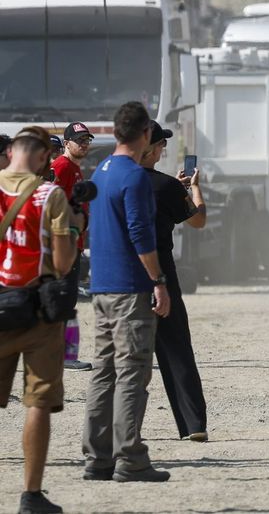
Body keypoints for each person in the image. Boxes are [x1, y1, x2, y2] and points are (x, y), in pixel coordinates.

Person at [83, 101, 172, 484]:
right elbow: (140, 234)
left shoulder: (101, 170)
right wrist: (159, 280)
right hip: (129, 288)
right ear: (145, 135)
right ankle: (130, 457)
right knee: (132, 372)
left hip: (102, 286)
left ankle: (97, 456)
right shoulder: (135, 176)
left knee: (103, 373)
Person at [2, 126, 78, 514]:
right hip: (35, 312)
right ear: (46, 158)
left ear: (11, 149)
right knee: (37, 401)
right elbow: (64, 264)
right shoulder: (51, 195)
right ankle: (31, 495)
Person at [138, 122, 208, 442]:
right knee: (176, 351)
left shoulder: (111, 178)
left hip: (122, 278)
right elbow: (198, 220)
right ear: (150, 149)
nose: (164, 150)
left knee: (126, 359)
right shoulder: (166, 187)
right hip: (161, 273)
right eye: (161, 145)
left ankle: (119, 429)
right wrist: (192, 188)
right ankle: (193, 425)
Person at [53, 122, 94, 372]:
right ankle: (64, 356)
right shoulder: (62, 166)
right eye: (79, 140)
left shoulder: (73, 168)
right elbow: (49, 201)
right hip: (64, 245)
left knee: (67, 301)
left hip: (73, 244)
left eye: (87, 140)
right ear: (66, 143)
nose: (84, 144)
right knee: (64, 300)